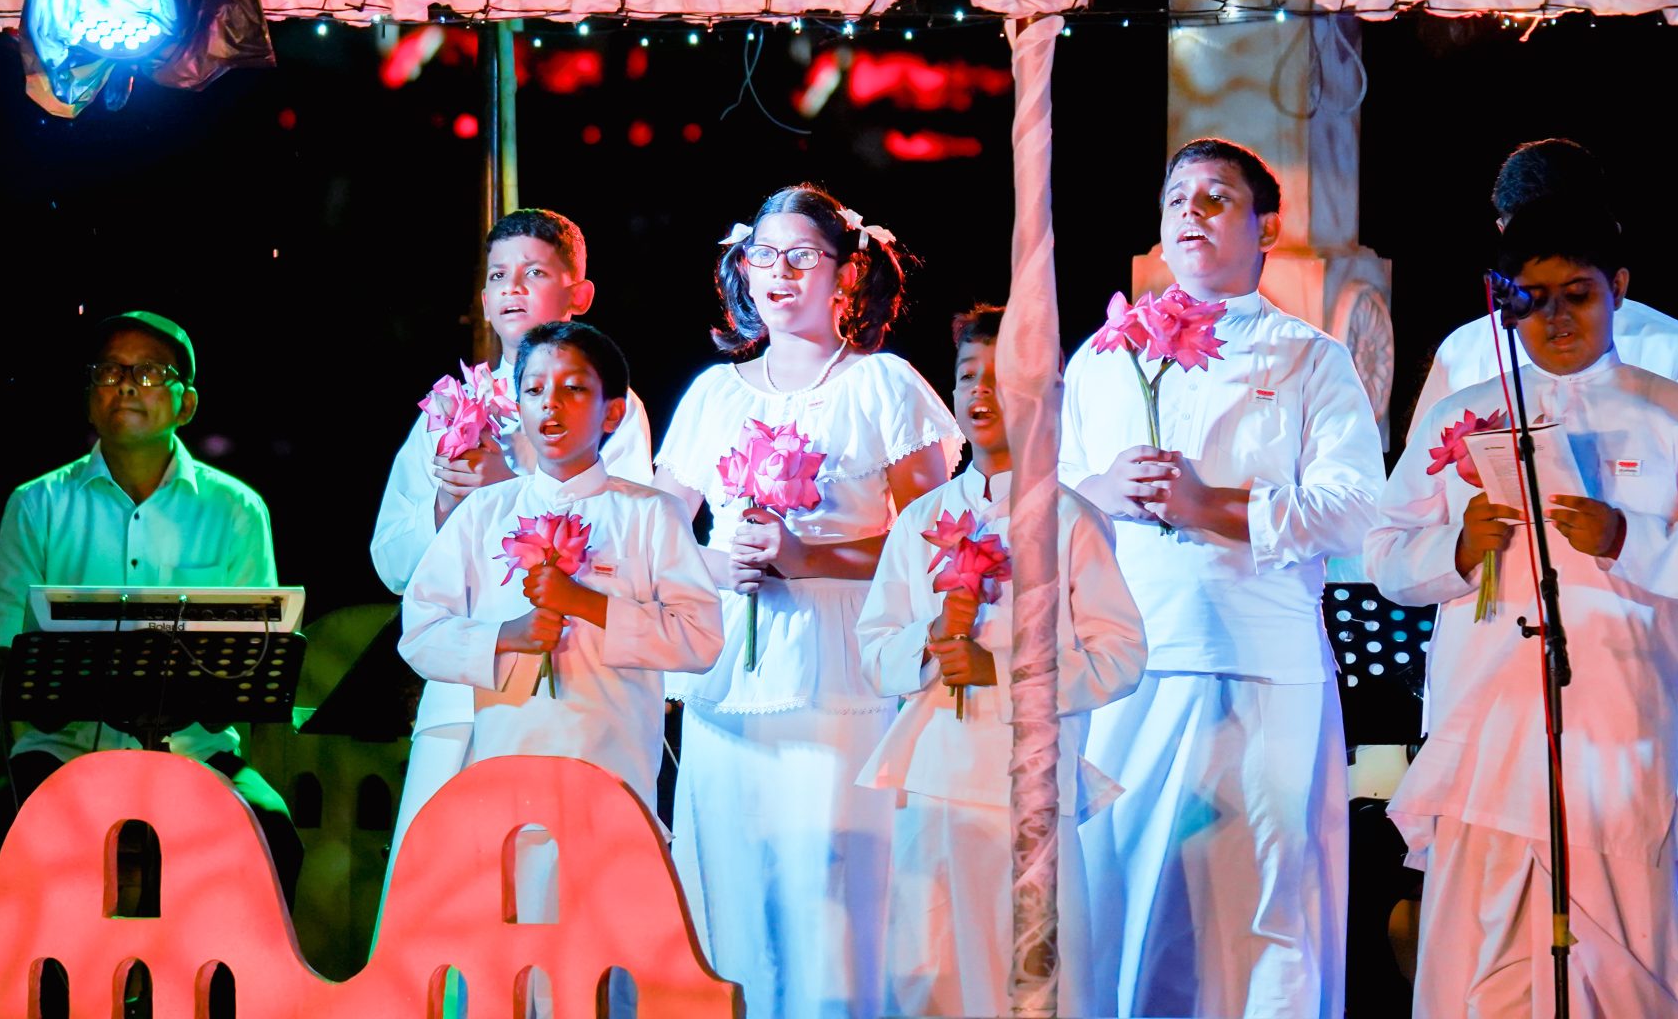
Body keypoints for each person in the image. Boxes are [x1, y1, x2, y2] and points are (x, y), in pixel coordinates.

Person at [1062, 139, 1384, 1018]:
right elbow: (1051, 504)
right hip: (1127, 669)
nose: (1191, 214)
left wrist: (1218, 506)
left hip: (1264, 664)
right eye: (1177, 201)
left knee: (1266, 911)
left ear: (1265, 227)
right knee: (1123, 899)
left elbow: (1358, 507)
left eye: (1216, 198)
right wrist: (1101, 491)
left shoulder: (1309, 357)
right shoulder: (1102, 356)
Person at [652, 184, 962, 1019]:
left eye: (801, 258)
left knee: (834, 910)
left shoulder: (883, 385)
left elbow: (935, 545)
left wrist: (806, 555)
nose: (779, 274)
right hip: (728, 699)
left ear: (845, 276)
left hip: (839, 689)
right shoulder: (716, 394)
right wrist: (721, 569)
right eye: (763, 256)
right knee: (731, 901)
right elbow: (654, 532)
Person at [1366, 202, 1678, 1017]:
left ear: (1618, 289)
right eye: (1532, 298)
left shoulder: (1668, 411)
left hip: (1627, 730)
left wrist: (1629, 536)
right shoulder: (1463, 413)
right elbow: (1388, 557)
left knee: (1620, 939)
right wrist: (1460, 551)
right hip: (1491, 725)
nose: (1555, 318)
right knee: (1487, 938)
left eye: (1576, 294)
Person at [855, 304, 1146, 1018]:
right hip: (936, 779)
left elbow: (1121, 654)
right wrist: (930, 638)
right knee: (935, 970)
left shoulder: (1069, 520)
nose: (981, 392)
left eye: (1000, 378)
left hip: (1028, 785)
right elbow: (872, 648)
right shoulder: (922, 520)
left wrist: (1007, 676)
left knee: (1032, 972)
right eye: (967, 378)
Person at [0, 310, 302, 899]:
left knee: (272, 828)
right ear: (88, 398)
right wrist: (23, 687)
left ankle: (221, 993)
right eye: (110, 371)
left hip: (196, 756)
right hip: (64, 752)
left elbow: (259, 654)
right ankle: (44, 992)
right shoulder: (35, 505)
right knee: (6, 823)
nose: (127, 385)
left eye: (150, 373)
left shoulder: (236, 510)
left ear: (187, 403)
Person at [370, 207, 653, 852]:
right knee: (446, 881)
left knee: (552, 884)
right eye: (499, 276)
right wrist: (447, 510)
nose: (513, 288)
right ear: (484, 299)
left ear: (578, 295)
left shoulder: (608, 404)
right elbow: (390, 560)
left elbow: (624, 538)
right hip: (463, 691)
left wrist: (505, 491)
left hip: (569, 691)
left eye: (534, 272)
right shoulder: (445, 410)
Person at [399, 320, 721, 809]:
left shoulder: (650, 514)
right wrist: (508, 635)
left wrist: (586, 604)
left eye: (573, 388)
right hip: (506, 765)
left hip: (613, 769)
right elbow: (420, 632)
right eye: (533, 389)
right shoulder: (485, 512)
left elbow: (699, 639)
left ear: (612, 412)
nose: (550, 402)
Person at [1406, 138, 1678, 437]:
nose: (1555, 314)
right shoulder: (1463, 352)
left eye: (1576, 293)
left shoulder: (1669, 350)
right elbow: (1428, 472)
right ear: (1502, 233)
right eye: (1527, 241)